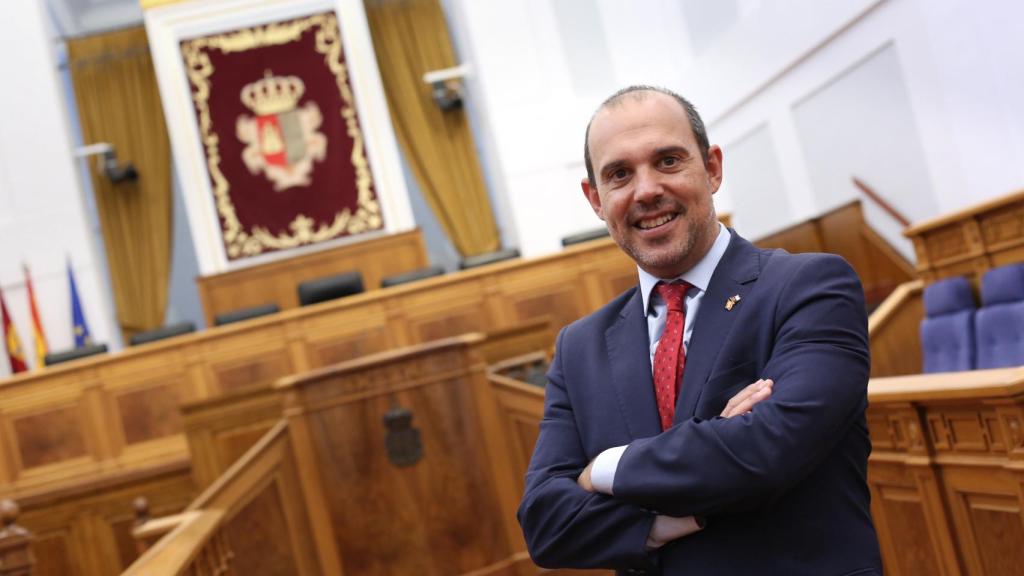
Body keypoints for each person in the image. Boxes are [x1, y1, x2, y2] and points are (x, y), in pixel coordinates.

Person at [517, 86, 881, 575]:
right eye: (619, 174)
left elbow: (769, 450)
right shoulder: (579, 347)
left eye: (668, 161)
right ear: (596, 199)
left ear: (711, 168)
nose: (646, 190)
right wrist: (673, 517)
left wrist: (603, 469)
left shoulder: (809, 287)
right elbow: (545, 524)